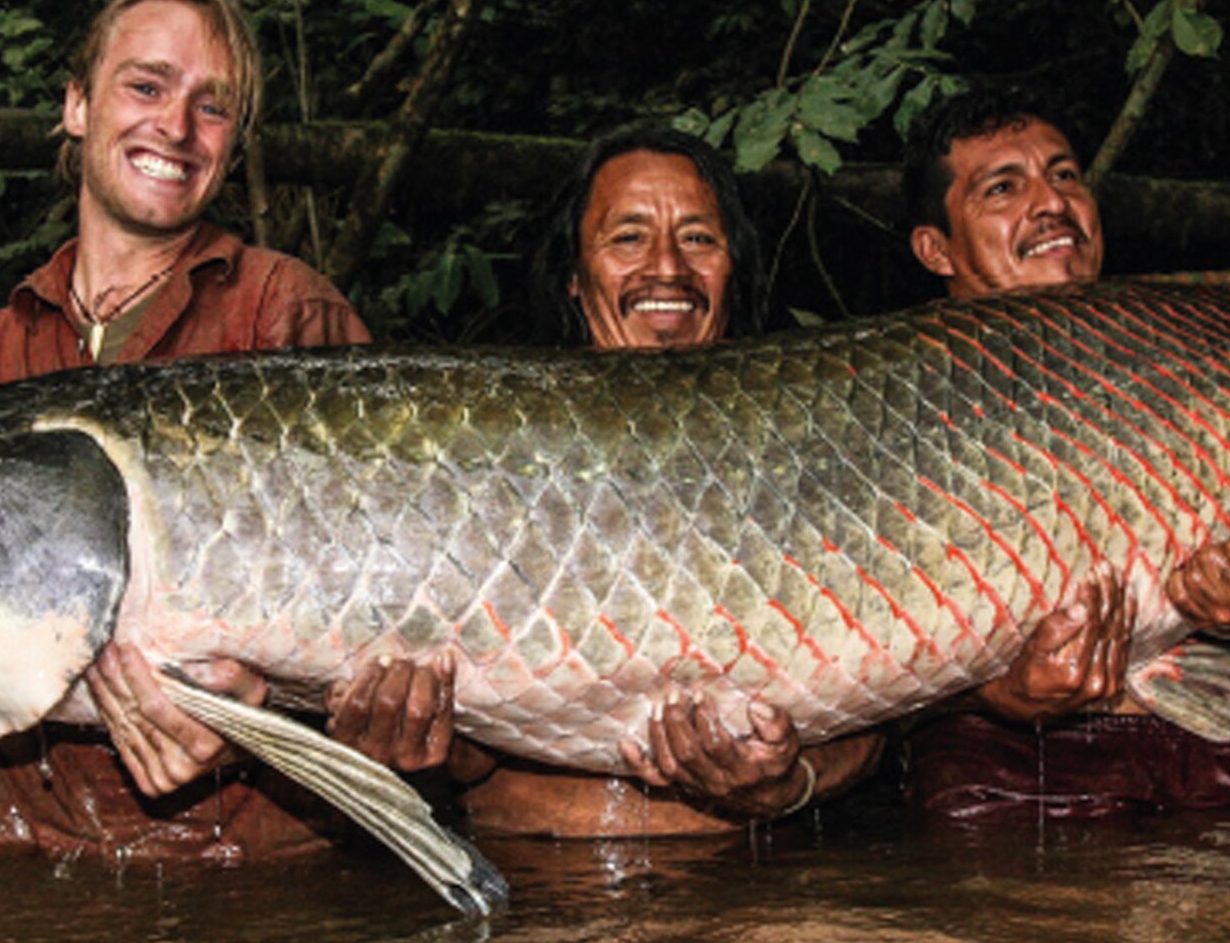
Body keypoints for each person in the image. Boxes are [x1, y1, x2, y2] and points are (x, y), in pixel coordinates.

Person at [0, 0, 374, 862]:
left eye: (212, 107)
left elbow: (384, 599)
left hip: (240, 855)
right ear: (77, 105)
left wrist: (257, 703)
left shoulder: (284, 317)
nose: (177, 129)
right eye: (146, 88)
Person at [335, 122, 889, 836]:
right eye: (628, 238)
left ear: (732, 268)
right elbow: (463, 751)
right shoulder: (488, 458)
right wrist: (414, 735)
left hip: (755, 885)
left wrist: (792, 781)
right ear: (575, 274)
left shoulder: (814, 453)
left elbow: (883, 709)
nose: (667, 268)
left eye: (698, 239)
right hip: (532, 882)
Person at [898, 85, 1230, 820]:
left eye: (1065, 175)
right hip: (1001, 763)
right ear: (935, 247)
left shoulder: (1198, 356)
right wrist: (997, 693)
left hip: (1205, 747)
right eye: (1004, 188)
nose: (1050, 203)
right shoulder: (896, 401)